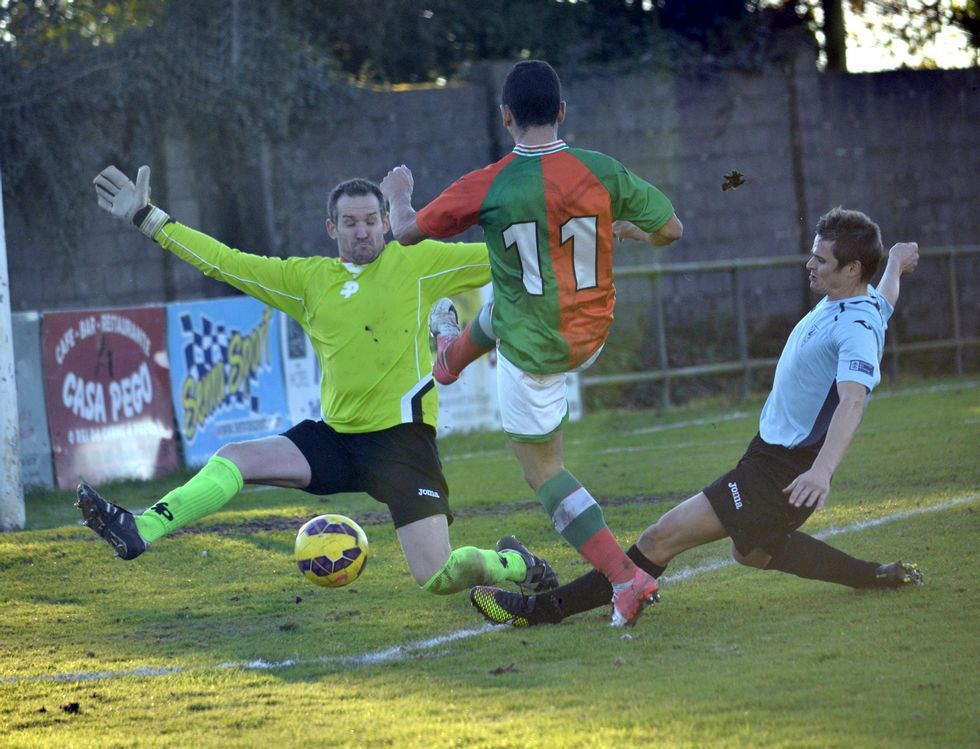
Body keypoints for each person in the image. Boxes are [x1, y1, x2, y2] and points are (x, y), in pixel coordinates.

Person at [79, 165, 559, 599]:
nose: (362, 230)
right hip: (336, 441)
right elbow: (223, 262)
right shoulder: (307, 280)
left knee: (436, 576)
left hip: (402, 444)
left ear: (386, 223)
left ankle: (515, 562)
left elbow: (509, 253)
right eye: (350, 222)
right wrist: (148, 217)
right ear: (332, 228)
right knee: (234, 458)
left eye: (371, 220)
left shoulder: (418, 263)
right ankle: (142, 528)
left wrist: (580, 226)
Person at [469, 208, 924, 627]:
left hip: (783, 474)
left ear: (851, 270)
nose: (810, 265)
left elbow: (853, 401)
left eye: (821, 260)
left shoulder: (857, 328)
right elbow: (884, 298)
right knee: (755, 552)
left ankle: (541, 610)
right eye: (812, 255)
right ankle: (875, 576)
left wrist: (822, 472)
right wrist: (895, 263)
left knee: (659, 539)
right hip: (768, 458)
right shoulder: (862, 303)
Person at [381, 59, 683, 626]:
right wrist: (628, 230)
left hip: (536, 354)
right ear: (563, 112)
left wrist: (398, 193)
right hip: (592, 332)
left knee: (543, 472)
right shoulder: (602, 170)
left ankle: (625, 579)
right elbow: (672, 230)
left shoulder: (490, 182)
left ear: (506, 117)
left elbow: (403, 233)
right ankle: (449, 361)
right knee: (504, 302)